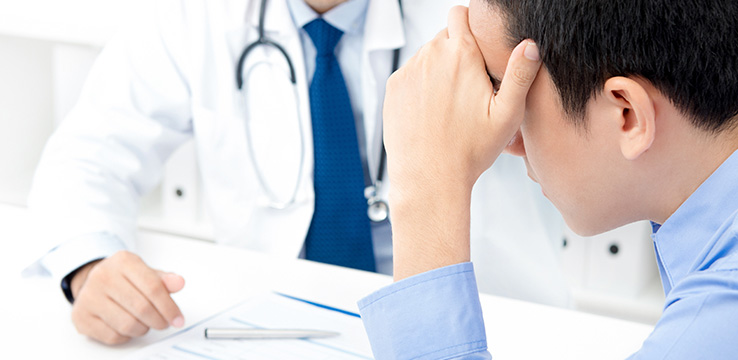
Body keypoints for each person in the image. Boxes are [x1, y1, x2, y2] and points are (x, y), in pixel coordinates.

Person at [24, 0, 567, 346]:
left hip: (481, 321)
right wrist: (91, 266)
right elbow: (89, 152)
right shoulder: (192, 15)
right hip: (281, 327)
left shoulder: (487, 10)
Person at [358, 0, 738, 358]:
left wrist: (428, 186)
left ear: (627, 115)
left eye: (512, 97)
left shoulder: (714, 322)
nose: (508, 143)